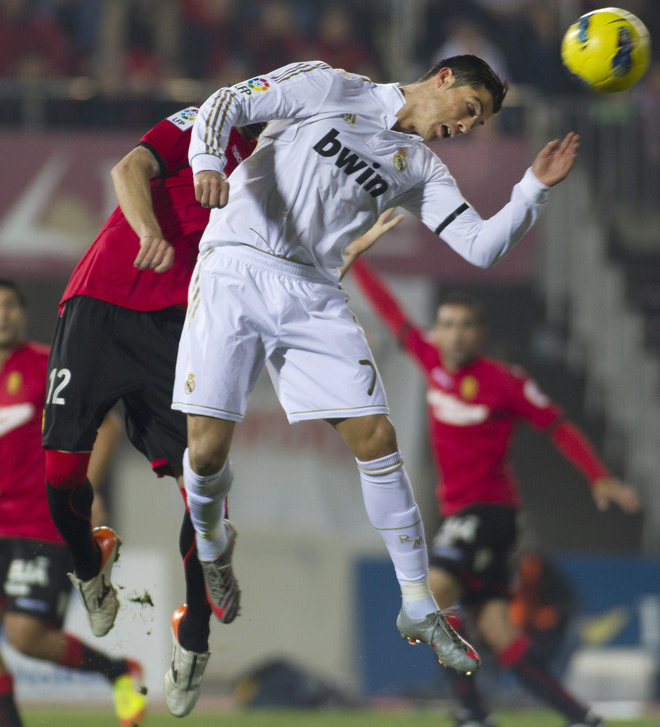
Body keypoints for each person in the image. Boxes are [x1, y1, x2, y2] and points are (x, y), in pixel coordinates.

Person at [173, 55, 580, 674]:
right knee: (204, 454)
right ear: (444, 78)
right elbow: (227, 101)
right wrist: (206, 161)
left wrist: (534, 188)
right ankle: (212, 544)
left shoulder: (419, 167)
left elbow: (481, 247)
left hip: (311, 290)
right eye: (469, 110)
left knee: (378, 438)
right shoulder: (331, 85)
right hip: (234, 264)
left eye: (478, 125)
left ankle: (418, 602)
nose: (465, 127)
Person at [346, 253, 641, 727]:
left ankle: (471, 710)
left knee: (432, 590)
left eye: (465, 326)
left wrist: (598, 476)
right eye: (447, 324)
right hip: (462, 515)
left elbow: (557, 424)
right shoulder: (431, 359)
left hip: (491, 513)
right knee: (499, 635)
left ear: (480, 335)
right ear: (436, 331)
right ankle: (581, 717)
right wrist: (356, 261)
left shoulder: (504, 382)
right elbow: (393, 315)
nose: (455, 334)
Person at [40, 109, 259, 717]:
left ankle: (193, 639)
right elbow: (129, 166)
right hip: (104, 297)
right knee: (59, 474)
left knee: (202, 486)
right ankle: (89, 563)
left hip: (180, 330)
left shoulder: (292, 173)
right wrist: (147, 232)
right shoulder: (213, 122)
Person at [0, 279, 146, 727]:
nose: (2, 314)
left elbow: (107, 425)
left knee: (25, 637)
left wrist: (86, 487)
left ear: (23, 315)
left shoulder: (46, 365)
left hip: (37, 523)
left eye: (10, 305)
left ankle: (119, 672)